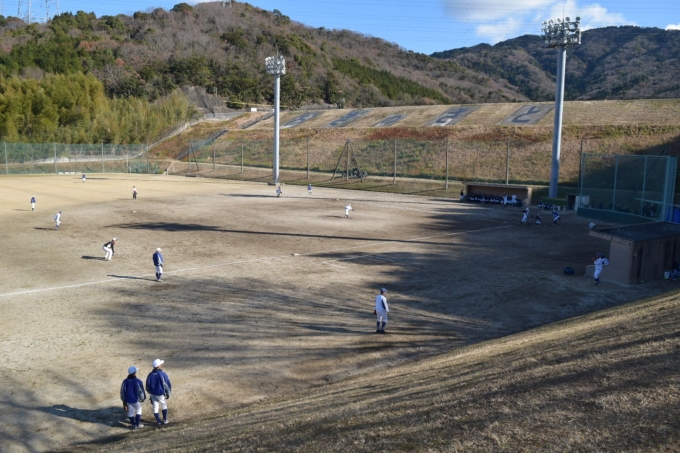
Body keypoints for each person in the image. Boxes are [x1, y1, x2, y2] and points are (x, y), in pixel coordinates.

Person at [146, 359, 172, 426]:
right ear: (158, 366)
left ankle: (158, 421)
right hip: (160, 393)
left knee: (155, 407)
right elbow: (166, 384)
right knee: (163, 405)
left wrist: (150, 392)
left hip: (153, 394)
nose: (161, 365)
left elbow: (147, 385)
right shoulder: (162, 374)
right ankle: (164, 420)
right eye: (160, 364)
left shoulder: (150, 375)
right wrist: (168, 393)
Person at [120, 365, 146, 430]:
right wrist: (142, 398)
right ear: (134, 373)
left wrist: (124, 400)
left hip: (128, 399)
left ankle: (133, 425)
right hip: (136, 399)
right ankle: (137, 424)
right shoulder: (138, 381)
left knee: (130, 411)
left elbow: (122, 391)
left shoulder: (125, 381)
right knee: (139, 410)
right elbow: (140, 391)